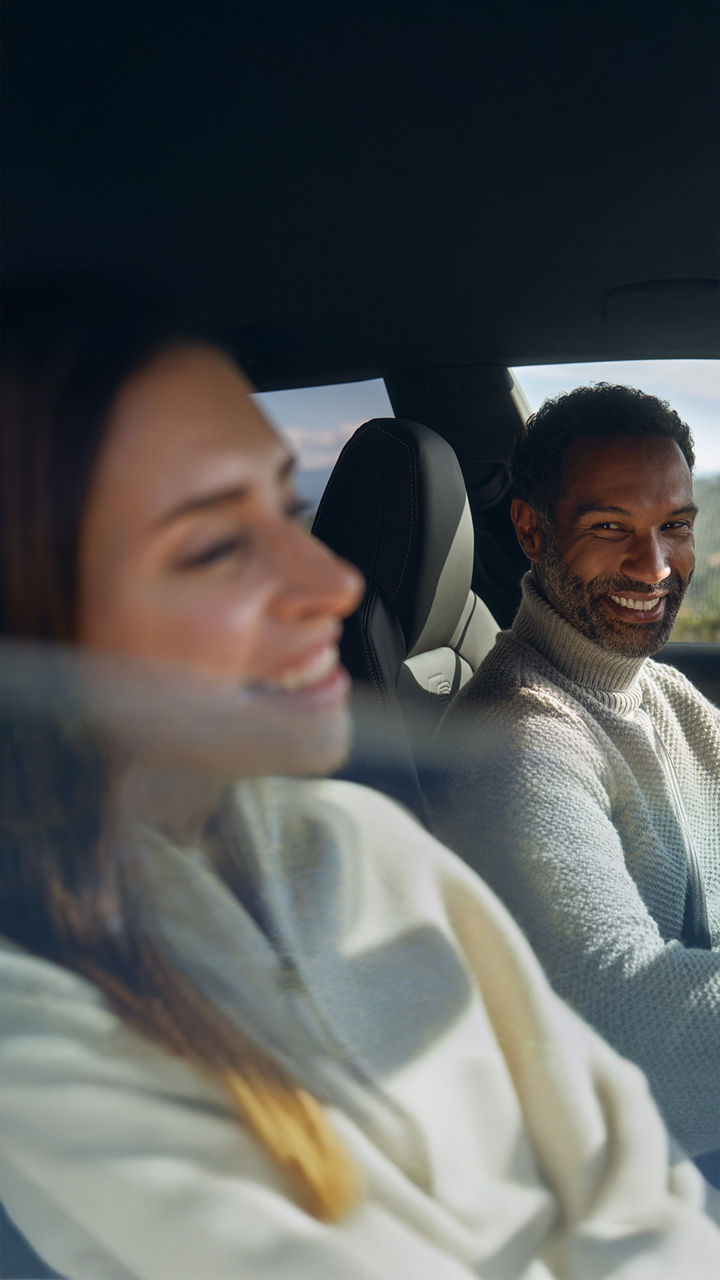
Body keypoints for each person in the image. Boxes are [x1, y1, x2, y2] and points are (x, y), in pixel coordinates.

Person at [1, 294, 719, 1280]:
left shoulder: (340, 839)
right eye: (215, 545)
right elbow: (634, 1046)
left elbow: (627, 1169)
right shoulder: (35, 1034)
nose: (336, 585)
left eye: (285, 511)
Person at [434, 383, 720, 1180]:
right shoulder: (520, 740)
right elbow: (629, 1018)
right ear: (531, 529)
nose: (655, 566)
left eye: (675, 527)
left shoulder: (653, 691)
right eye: (610, 528)